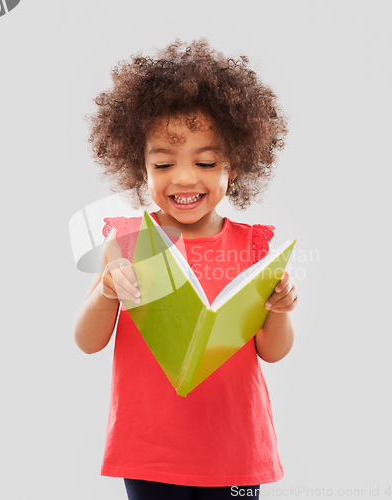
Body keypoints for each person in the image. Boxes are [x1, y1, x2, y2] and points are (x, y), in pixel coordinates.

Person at [73, 39, 299, 500]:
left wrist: (280, 308)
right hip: (151, 451)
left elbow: (272, 353)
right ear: (141, 165)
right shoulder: (129, 241)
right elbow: (87, 341)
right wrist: (107, 293)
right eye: (163, 163)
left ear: (233, 166)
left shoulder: (252, 246)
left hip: (235, 448)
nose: (183, 178)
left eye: (205, 161)